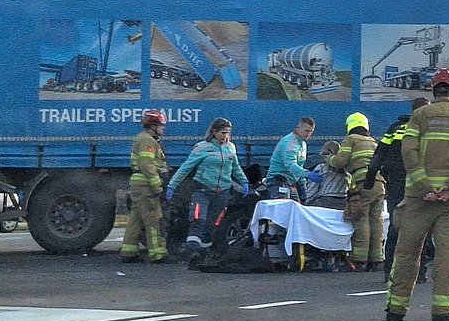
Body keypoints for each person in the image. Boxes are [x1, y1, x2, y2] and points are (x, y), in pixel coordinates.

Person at [385, 69, 449, 321]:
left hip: (418, 199)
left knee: (407, 253)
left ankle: (396, 309)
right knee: (447, 254)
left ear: (433, 89)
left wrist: (425, 187)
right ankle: (443, 311)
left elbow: (409, 152)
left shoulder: (420, 116)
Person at [366, 97, 433, 281]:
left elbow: (379, 154)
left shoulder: (396, 128)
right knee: (421, 228)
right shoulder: (429, 129)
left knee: (396, 226)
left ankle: (390, 271)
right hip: (420, 184)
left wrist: (370, 179)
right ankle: (418, 272)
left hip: (396, 183)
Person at [165, 117, 250, 255]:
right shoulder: (202, 147)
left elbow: (236, 167)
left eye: (228, 133)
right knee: (199, 218)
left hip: (223, 192)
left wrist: (244, 181)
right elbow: (186, 167)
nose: (225, 136)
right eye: (222, 133)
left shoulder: (230, 147)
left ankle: (204, 252)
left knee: (213, 223)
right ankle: (191, 247)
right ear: (214, 132)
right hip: (203, 189)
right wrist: (172, 185)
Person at [329, 112, 386, 271]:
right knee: (377, 221)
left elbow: (340, 162)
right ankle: (376, 259)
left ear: (349, 126)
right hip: (380, 183)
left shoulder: (351, 139)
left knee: (361, 218)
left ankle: (360, 259)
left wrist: (329, 158)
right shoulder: (373, 142)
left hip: (363, 182)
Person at [121, 109, 171, 263]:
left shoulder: (145, 138)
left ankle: (128, 252)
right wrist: (157, 185)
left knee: (136, 220)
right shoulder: (147, 141)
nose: (163, 129)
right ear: (153, 126)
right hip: (146, 185)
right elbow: (147, 164)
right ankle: (158, 254)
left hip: (139, 184)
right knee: (154, 220)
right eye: (161, 126)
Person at [266, 116, 322, 202]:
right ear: (298, 128)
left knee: (296, 207)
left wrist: (302, 184)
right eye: (306, 131)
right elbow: (290, 164)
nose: (309, 134)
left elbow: (300, 165)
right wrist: (307, 174)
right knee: (284, 206)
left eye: (311, 132)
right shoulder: (290, 142)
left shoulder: (302, 143)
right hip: (278, 180)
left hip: (290, 182)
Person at [304, 141, 349, 209]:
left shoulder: (322, 167)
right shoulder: (347, 168)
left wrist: (306, 204)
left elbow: (312, 189)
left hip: (326, 200)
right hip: (344, 201)